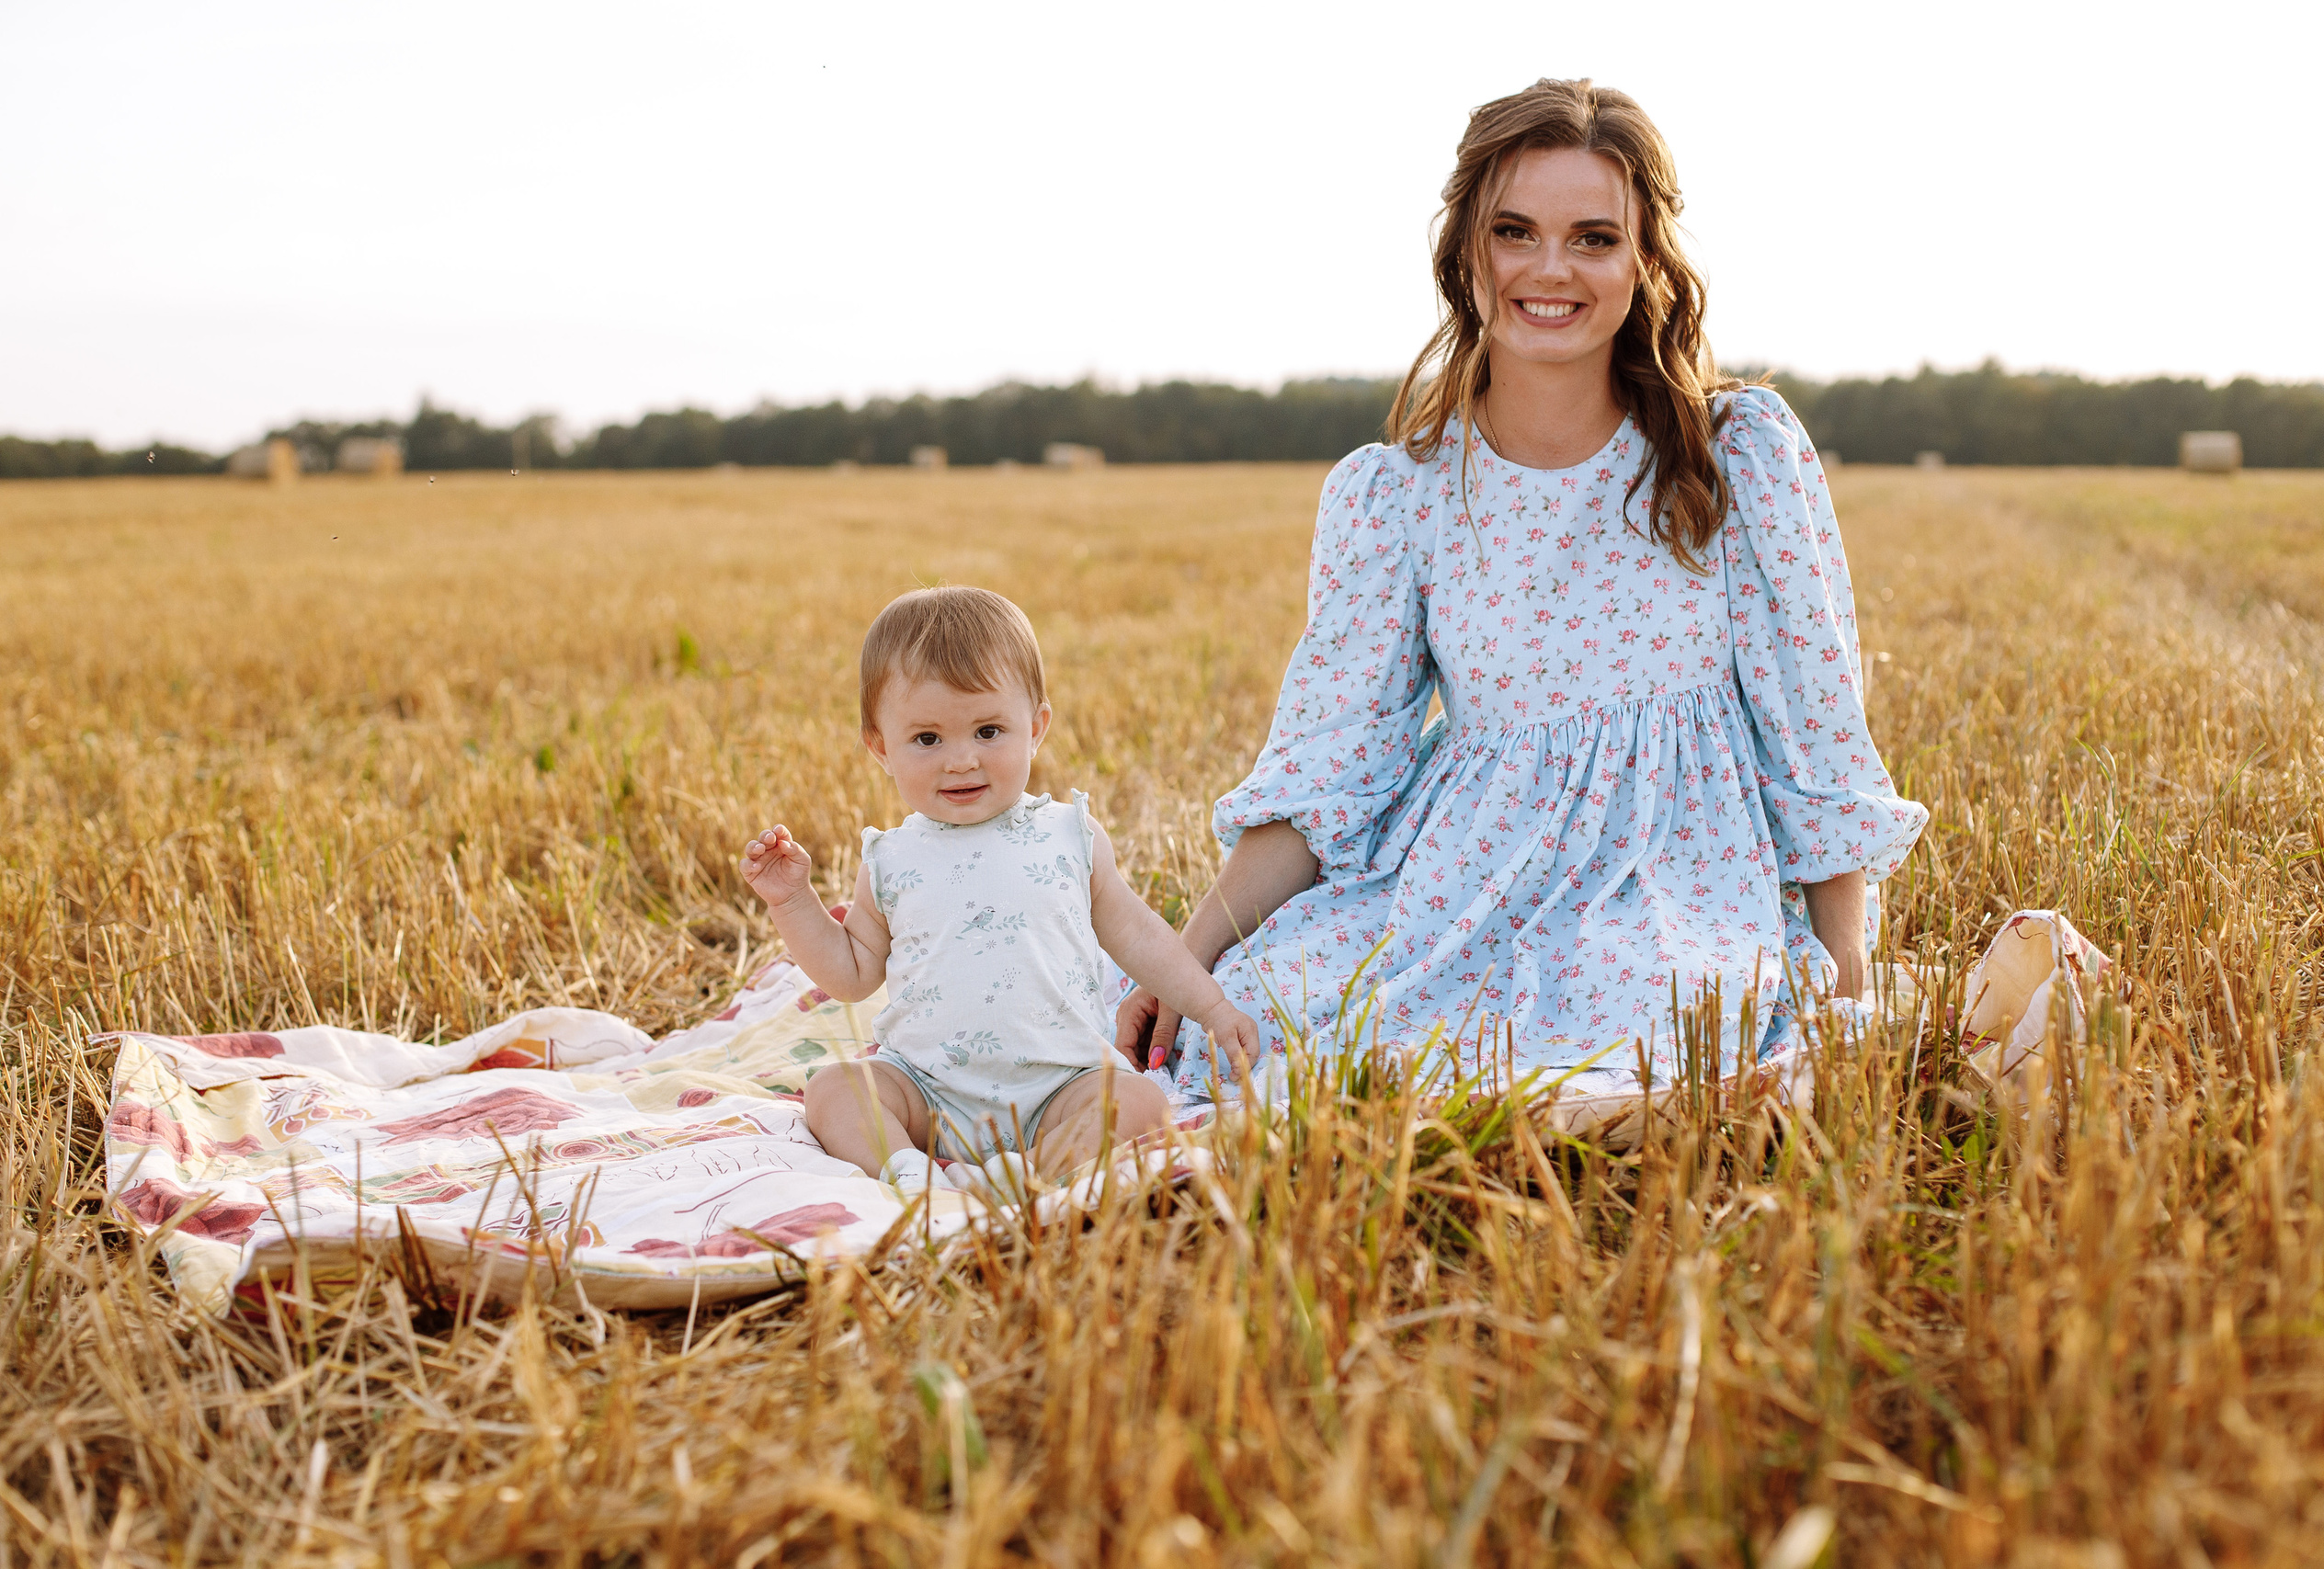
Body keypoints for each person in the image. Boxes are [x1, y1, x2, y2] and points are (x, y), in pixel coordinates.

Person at [1117, 78, 1928, 1101]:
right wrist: (1187, 962)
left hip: (1673, 883)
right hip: (1455, 884)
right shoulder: (1394, 495)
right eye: (1515, 231)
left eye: (1593, 237)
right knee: (1268, 1020)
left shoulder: (1735, 455)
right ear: (1466, 251)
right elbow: (1328, 777)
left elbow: (1810, 723)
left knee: (1651, 1034)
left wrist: (1844, 963)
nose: (1551, 270)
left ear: (1645, 259)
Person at [739, 586, 1259, 1199]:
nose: (962, 760)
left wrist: (1212, 1007)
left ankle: (1033, 1171)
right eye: (927, 739)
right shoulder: (891, 858)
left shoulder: (1071, 835)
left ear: (1036, 728)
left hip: (1061, 1083)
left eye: (988, 730)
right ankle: (905, 1168)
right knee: (833, 1090)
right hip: (924, 1089)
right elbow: (851, 973)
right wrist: (792, 902)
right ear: (880, 744)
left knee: (1139, 1103)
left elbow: (1142, 936)